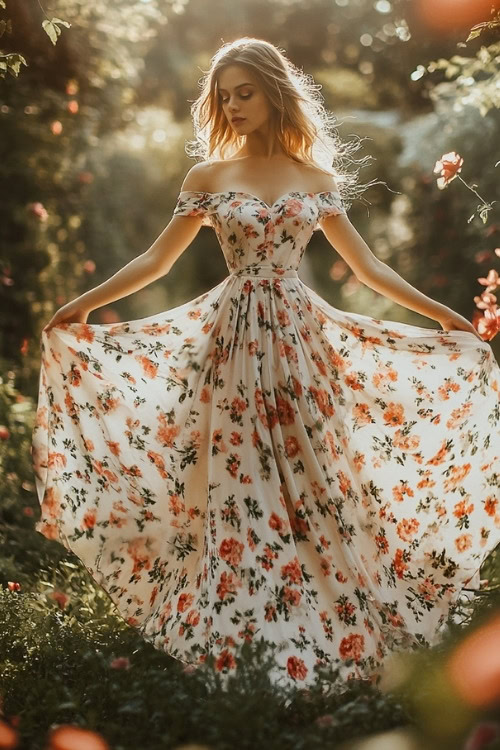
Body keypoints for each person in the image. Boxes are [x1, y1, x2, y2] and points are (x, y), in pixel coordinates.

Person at [33, 37, 500, 692]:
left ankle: (333, 607)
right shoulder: (208, 179)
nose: (233, 104)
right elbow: (154, 262)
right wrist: (78, 308)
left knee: (318, 474)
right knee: (240, 470)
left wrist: (443, 316)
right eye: (224, 96)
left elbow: (369, 267)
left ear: (275, 93)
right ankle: (247, 614)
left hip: (302, 343)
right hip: (233, 342)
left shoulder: (316, 181)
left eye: (244, 91)